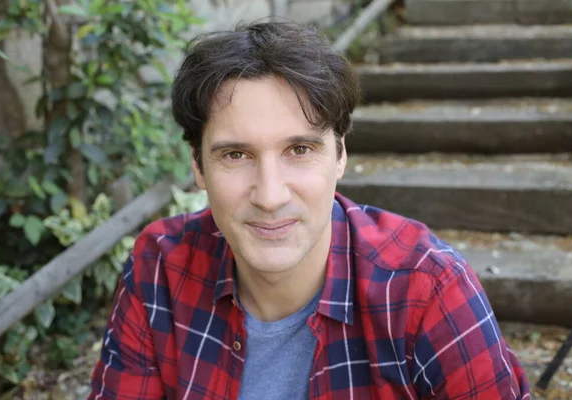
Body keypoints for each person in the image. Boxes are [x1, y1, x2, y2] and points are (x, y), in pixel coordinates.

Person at [89, 21, 530, 400]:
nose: (270, 195)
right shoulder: (161, 268)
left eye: (299, 149)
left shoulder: (427, 289)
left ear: (340, 154)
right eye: (236, 155)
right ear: (197, 166)